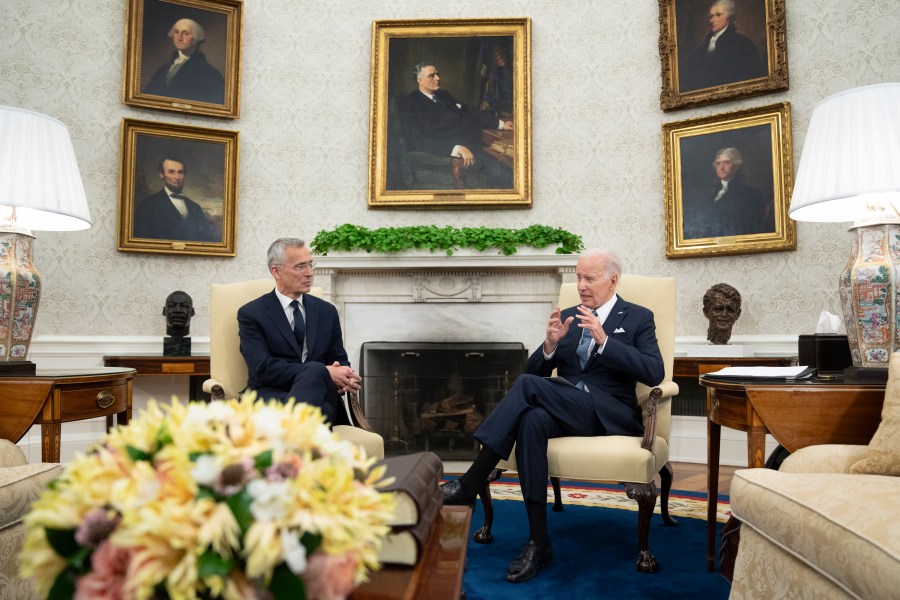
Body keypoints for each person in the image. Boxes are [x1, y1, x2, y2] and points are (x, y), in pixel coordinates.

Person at [441, 249, 664, 583]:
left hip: (607, 414)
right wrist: (548, 346)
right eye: (578, 276)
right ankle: (538, 541)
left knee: (530, 389)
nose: (581, 285)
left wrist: (605, 342)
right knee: (531, 420)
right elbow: (532, 373)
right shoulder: (570, 316)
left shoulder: (637, 317)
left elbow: (655, 371)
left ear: (612, 280)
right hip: (566, 408)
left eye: (589, 278)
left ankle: (469, 484)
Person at [237, 238, 361, 426]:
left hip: (321, 392)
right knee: (323, 411)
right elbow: (261, 368)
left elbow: (339, 358)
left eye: (310, 265)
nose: (309, 273)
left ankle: (288, 436)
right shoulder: (252, 313)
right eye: (301, 267)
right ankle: (299, 441)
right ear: (276, 271)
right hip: (271, 395)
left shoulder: (326, 311)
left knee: (316, 371)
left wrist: (346, 374)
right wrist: (323, 372)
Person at [399, 61, 513, 189]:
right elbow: (418, 140)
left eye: (437, 74)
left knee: (508, 162)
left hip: (475, 146)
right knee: (503, 172)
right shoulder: (411, 103)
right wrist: (456, 148)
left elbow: (469, 113)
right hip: (450, 157)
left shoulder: (443, 95)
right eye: (432, 76)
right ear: (420, 80)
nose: (438, 78)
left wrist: (500, 124)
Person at [682, 147, 774, 239]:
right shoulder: (711, 195)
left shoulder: (751, 193)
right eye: (718, 164)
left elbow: (752, 226)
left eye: (726, 163)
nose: (721, 168)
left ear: (737, 166)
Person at [680, 0, 766, 92]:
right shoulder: (701, 50)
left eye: (718, 15)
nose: (712, 20)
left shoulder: (744, 45)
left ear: (729, 17)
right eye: (711, 16)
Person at [133, 156, 220, 242]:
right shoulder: (148, 205)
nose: (177, 177)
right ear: (161, 175)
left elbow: (207, 240)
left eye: (180, 172)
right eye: (171, 172)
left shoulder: (195, 208)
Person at [143, 18, 225, 104]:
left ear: (196, 38)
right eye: (176, 32)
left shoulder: (210, 73)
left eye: (186, 33)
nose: (179, 38)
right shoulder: (163, 70)